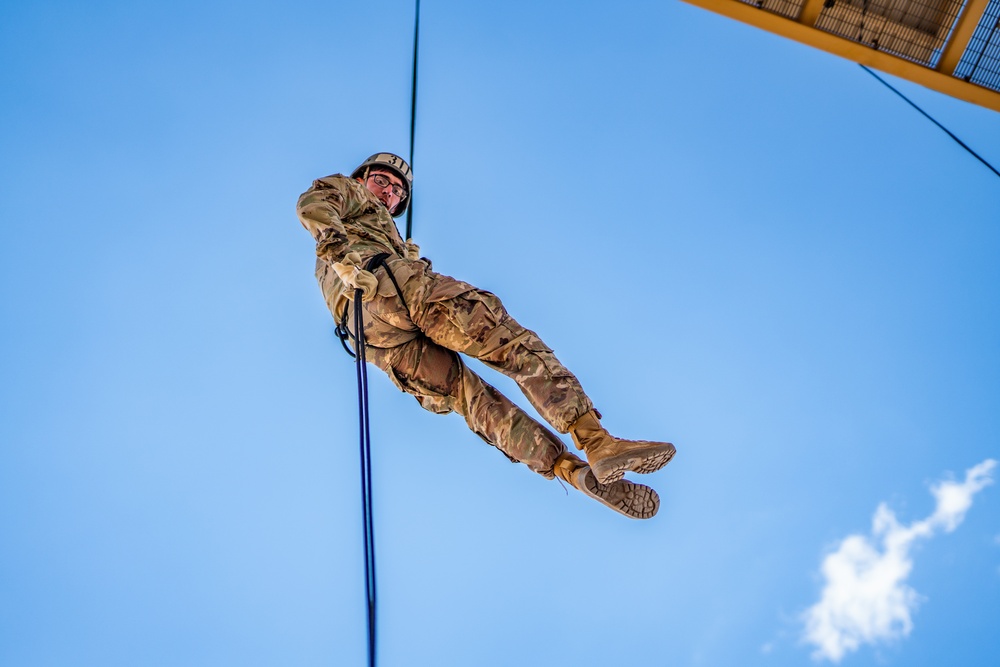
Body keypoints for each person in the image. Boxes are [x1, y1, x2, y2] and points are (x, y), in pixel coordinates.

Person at [296, 152, 675, 519]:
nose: (390, 192)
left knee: (471, 400)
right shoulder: (352, 192)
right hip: (385, 285)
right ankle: (596, 441)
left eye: (398, 192)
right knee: (506, 342)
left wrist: (380, 257)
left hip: (368, 334)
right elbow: (314, 202)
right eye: (382, 181)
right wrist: (343, 256)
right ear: (363, 178)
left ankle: (569, 471)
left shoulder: (379, 229)